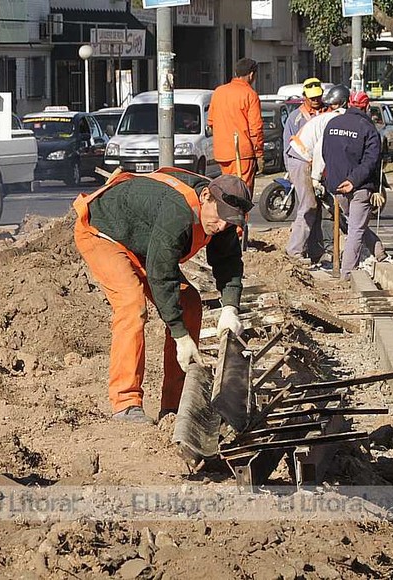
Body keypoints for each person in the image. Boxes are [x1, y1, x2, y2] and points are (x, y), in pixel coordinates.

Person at [73, 169, 252, 424]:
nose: (222, 226)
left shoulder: (222, 214)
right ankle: (125, 403)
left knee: (189, 303)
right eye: (220, 217)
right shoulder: (177, 212)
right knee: (131, 304)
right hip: (104, 233)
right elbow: (161, 274)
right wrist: (180, 335)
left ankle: (175, 406)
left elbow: (228, 261)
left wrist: (230, 308)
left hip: (143, 241)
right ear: (205, 196)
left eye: (230, 222)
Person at [321, 91, 388, 279]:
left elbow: (326, 154)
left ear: (348, 104)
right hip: (359, 186)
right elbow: (371, 161)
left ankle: (379, 251)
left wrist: (336, 180)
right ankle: (347, 274)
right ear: (367, 107)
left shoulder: (333, 124)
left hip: (337, 186)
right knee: (356, 230)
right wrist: (353, 181)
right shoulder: (368, 129)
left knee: (355, 223)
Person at [282, 77, 326, 264]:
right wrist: (291, 172)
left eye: (318, 97)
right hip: (301, 163)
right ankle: (295, 250)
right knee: (308, 205)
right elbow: (287, 145)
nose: (315, 100)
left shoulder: (326, 112)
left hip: (320, 166)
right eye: (312, 98)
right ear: (304, 97)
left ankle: (316, 250)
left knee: (318, 208)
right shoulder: (295, 118)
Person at [207, 58, 264, 193]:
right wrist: (259, 153)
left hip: (222, 153)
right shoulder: (250, 94)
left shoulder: (219, 92)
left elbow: (211, 123)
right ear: (251, 75)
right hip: (241, 152)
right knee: (242, 192)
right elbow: (255, 128)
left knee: (227, 190)